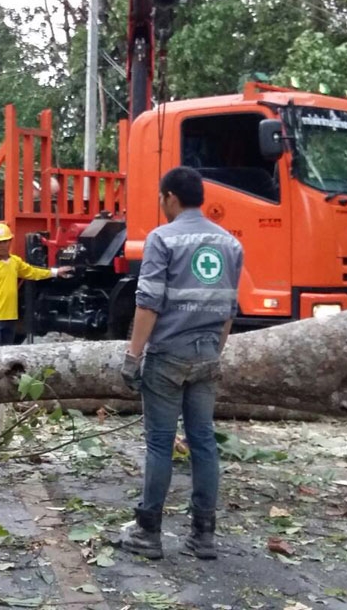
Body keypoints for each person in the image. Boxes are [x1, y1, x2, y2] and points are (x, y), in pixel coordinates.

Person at [117, 167, 243, 561]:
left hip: (168, 356)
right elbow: (228, 309)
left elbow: (149, 302)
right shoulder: (229, 244)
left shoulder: (162, 238)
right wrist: (214, 352)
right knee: (203, 441)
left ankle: (148, 533)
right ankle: (203, 536)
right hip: (207, 353)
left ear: (170, 197)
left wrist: (133, 356)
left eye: (161, 198)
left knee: (159, 443)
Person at [0, 223, 73, 347]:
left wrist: (55, 272)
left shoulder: (15, 262)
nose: (3, 245)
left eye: (5, 241)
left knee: (7, 353)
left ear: (10, 241)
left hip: (10, 315)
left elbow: (32, 272)